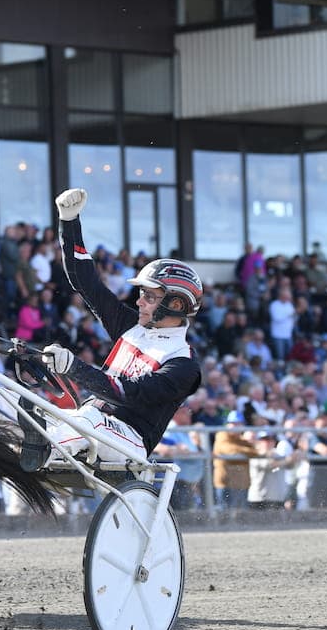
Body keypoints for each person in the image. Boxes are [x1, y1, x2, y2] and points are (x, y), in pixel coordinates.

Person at [20, 188, 203, 469]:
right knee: (6, 396)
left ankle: (42, 449)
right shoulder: (132, 326)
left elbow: (127, 393)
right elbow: (87, 284)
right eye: (141, 294)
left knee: (89, 418)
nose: (139, 301)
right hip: (89, 424)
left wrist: (74, 367)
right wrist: (69, 221)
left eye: (149, 296)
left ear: (176, 304)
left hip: (130, 441)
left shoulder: (184, 364)